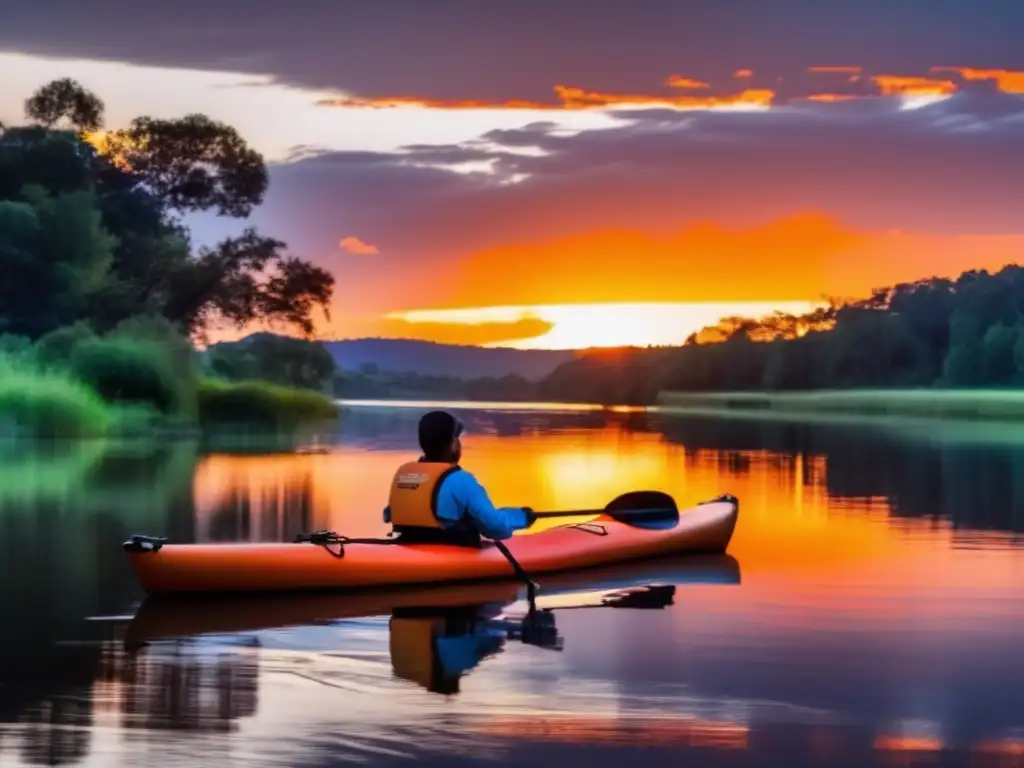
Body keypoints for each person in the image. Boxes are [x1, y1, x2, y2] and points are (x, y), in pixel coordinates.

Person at [383, 410, 534, 543]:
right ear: (452, 444)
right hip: (449, 556)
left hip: (408, 547)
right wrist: (521, 518)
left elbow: (388, 514)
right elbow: (497, 529)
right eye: (457, 438)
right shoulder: (461, 481)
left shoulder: (406, 474)